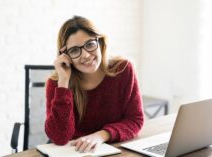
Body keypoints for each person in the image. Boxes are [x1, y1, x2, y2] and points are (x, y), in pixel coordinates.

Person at [45, 15, 144, 153]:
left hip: (113, 149)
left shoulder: (123, 69)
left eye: (90, 44)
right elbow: (59, 137)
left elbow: (135, 120)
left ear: (100, 42)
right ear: (65, 56)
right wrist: (63, 83)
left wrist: (101, 135)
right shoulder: (57, 83)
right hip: (74, 152)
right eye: (74, 50)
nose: (85, 55)